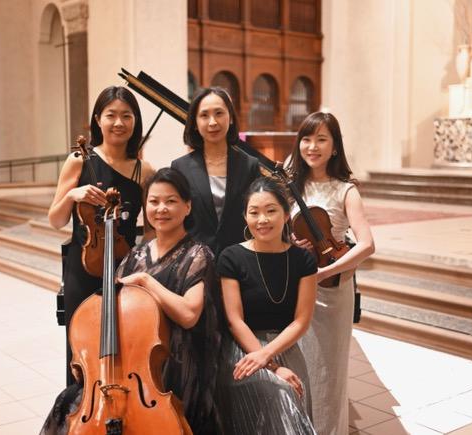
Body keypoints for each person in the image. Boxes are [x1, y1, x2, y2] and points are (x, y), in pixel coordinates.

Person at [40, 168, 222, 435]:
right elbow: (113, 314)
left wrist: (148, 282)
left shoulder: (198, 254)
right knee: (66, 401)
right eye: (154, 201)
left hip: (178, 366)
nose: (161, 209)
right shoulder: (136, 255)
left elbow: (188, 315)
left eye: (171, 201)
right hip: (133, 368)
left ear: (187, 206)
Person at [47, 86, 154, 386]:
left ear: (135, 122)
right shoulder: (79, 161)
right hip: (82, 271)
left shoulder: (143, 171)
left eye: (126, 116)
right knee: (81, 352)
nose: (118, 123)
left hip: (124, 271)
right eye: (111, 115)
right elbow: (55, 220)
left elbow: (151, 230)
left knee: (125, 347)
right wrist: (73, 195)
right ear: (97, 120)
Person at [286, 111, 375, 435]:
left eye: (322, 139)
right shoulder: (290, 185)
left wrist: (328, 272)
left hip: (333, 291)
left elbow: (366, 245)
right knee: (299, 368)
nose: (313, 146)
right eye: (307, 139)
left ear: (334, 146)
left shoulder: (346, 190)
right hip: (297, 289)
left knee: (329, 372)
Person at [215, 177, 318, 435]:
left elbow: (301, 321)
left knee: (294, 389)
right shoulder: (231, 257)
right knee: (280, 391)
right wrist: (268, 363)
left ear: (285, 215)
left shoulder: (303, 259)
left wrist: (269, 355)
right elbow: (234, 320)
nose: (263, 220)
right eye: (254, 212)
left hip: (286, 345)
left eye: (271, 211)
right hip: (243, 349)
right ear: (245, 217)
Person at [171, 86, 260, 257]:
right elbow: (177, 220)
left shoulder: (250, 165)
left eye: (219, 113)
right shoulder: (180, 167)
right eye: (204, 115)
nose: (212, 122)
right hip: (193, 261)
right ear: (195, 123)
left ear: (231, 118)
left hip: (240, 260)